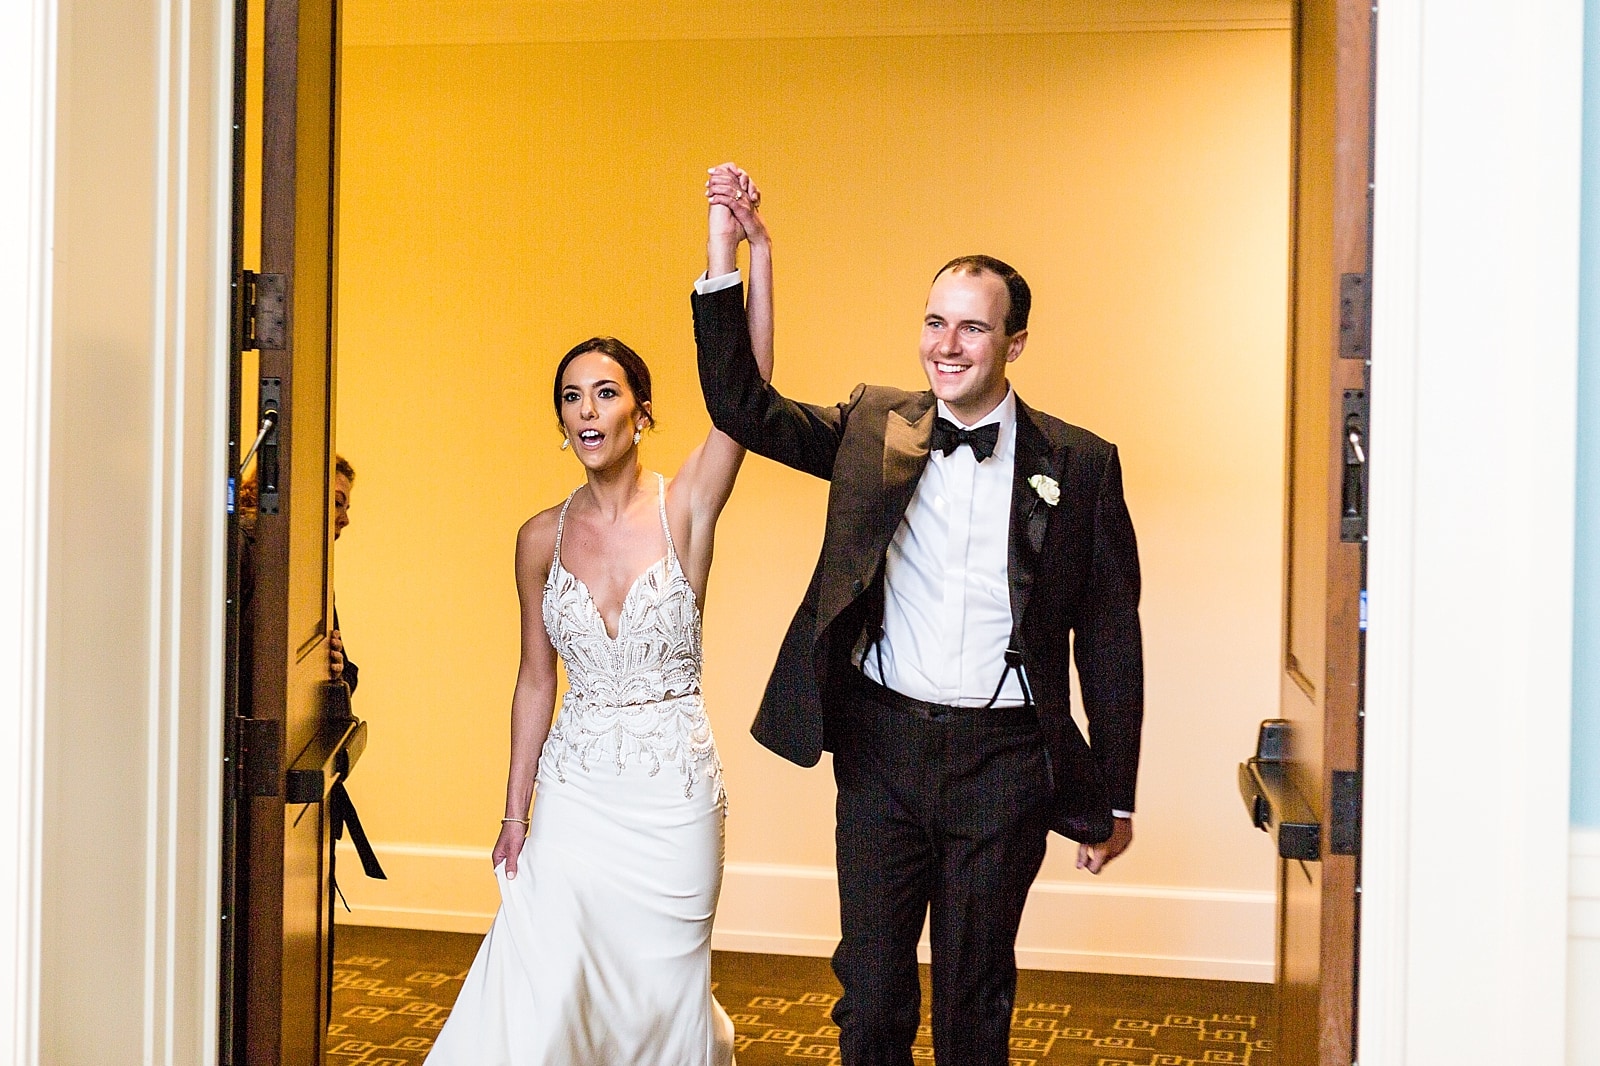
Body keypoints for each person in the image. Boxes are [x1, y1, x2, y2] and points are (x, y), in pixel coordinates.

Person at [694, 168, 1144, 1066]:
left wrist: (1116, 793)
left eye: (973, 326)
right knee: (870, 996)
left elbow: (1109, 636)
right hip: (881, 752)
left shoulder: (1083, 465)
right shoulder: (873, 427)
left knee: (975, 1004)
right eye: (935, 321)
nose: (948, 344)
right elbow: (739, 406)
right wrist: (731, 252)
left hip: (1007, 761)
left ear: (1014, 343)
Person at [424, 167, 773, 1065]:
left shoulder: (684, 508)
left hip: (673, 794)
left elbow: (749, 399)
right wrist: (514, 809)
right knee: (547, 980)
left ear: (642, 412)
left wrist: (740, 253)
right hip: (576, 794)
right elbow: (536, 676)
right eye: (572, 397)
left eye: (606, 392)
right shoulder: (539, 538)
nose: (588, 410)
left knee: (663, 1000)